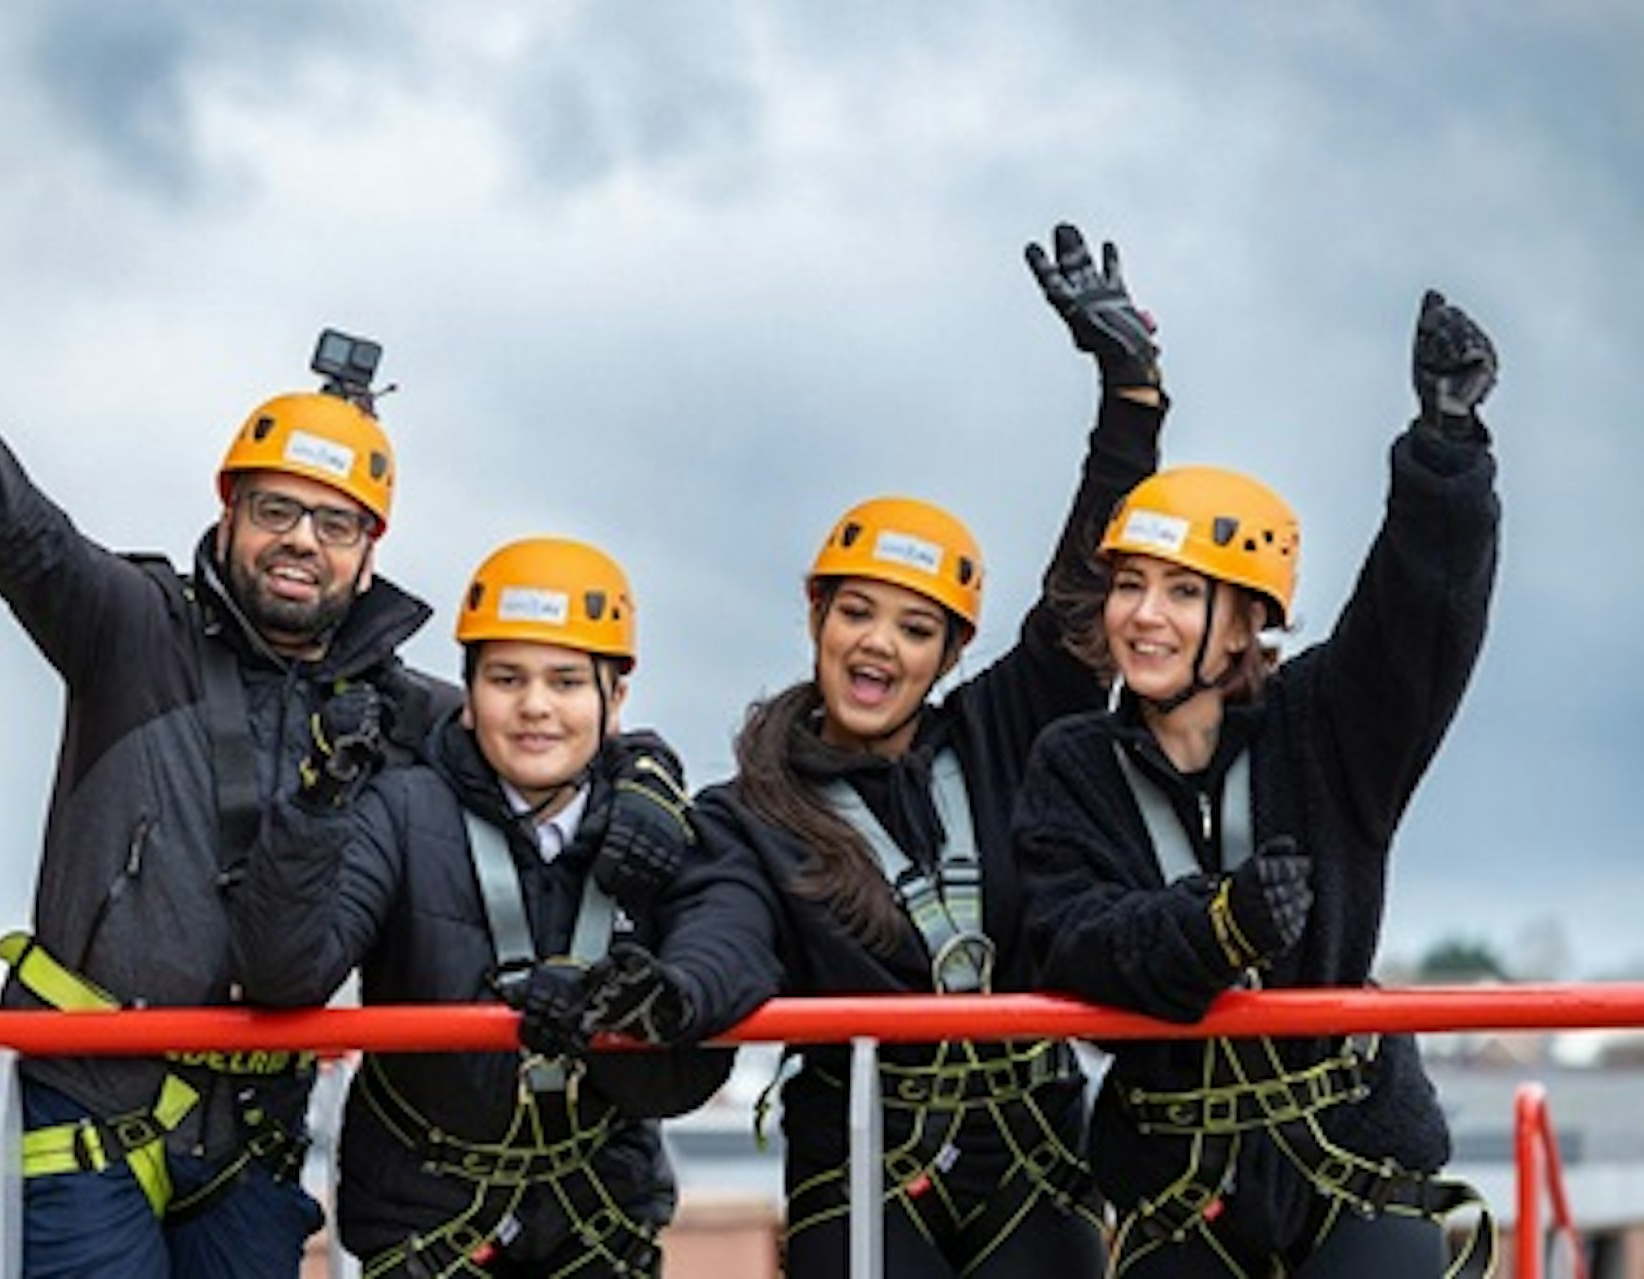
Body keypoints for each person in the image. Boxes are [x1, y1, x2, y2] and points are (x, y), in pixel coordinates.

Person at [0, 156, 457, 1277]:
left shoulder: (398, 708)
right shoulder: (129, 625)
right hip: (83, 1118)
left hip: (251, 1146)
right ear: (229, 509)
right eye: (278, 509)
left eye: (336, 525)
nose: (303, 539)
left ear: (369, 552)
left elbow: (538, 739)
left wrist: (637, 773)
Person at [686, 224, 1167, 1276]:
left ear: (949, 653)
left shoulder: (1002, 731)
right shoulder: (746, 811)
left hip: (1027, 1150)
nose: (876, 645)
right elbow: (725, 938)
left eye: (914, 628)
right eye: (856, 612)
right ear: (816, 617)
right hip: (860, 1151)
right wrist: (676, 987)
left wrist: (1129, 397)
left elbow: (1085, 588)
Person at [1011, 291, 1502, 1277]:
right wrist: (1214, 928)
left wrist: (1445, 452)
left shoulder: (1327, 727)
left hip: (1350, 1154)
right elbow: (1068, 941)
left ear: (1246, 624)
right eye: (1129, 585)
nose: (1143, 616)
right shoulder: (1075, 763)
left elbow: (1418, 623)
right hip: (1179, 1176)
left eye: (1182, 592)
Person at [230, 535, 780, 1278]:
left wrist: (645, 1005)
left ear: (613, 700)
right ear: (467, 696)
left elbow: (726, 954)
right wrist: (317, 807)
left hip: (597, 1220)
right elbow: (283, 972)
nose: (535, 707)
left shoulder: (659, 827)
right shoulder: (399, 811)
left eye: (565, 681)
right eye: (506, 678)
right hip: (429, 1220)